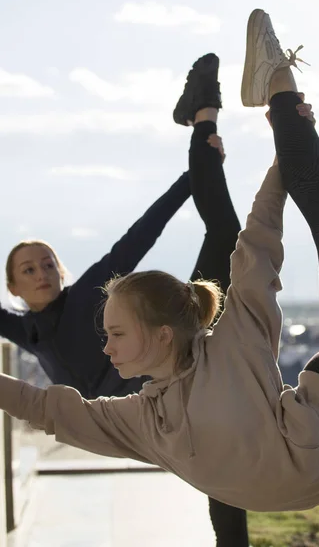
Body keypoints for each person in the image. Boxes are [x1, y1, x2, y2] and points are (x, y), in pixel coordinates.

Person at [1, 9, 319, 546]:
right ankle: (217, 115)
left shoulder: (226, 346)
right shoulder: (137, 417)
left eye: (114, 332)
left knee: (278, 225)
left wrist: (265, 162)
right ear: (14, 287)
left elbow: (250, 245)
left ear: (160, 332)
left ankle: (268, 96)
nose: (106, 343)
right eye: (28, 268)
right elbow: (42, 407)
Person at [0, 54, 249, 547]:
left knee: (226, 234)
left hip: (171, 367)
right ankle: (200, 117)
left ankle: (204, 115)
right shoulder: (23, 328)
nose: (42, 272)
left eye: (48, 262)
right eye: (28, 269)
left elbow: (143, 233)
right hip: (122, 422)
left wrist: (193, 178)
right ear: (13, 288)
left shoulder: (91, 289)